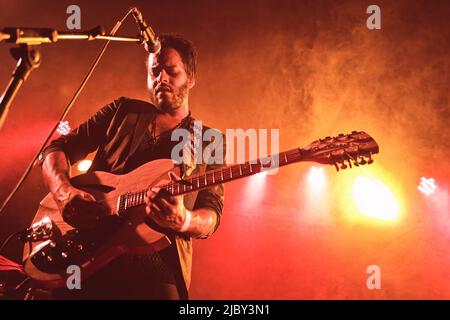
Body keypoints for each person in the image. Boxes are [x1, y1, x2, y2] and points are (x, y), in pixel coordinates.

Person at [39, 34, 225, 299]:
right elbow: (56, 149)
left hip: (155, 259)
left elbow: (212, 214)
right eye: (154, 71)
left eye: (171, 71)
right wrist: (62, 191)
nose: (161, 78)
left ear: (191, 77)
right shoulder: (121, 111)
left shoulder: (209, 140)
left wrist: (185, 220)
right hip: (88, 247)